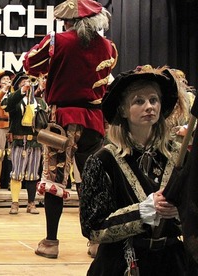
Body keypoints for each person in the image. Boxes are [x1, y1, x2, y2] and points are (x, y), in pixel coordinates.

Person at [79, 66, 197, 275]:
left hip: (172, 264)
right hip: (122, 263)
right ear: (123, 110)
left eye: (154, 100)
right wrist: (142, 212)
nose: (149, 106)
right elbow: (93, 228)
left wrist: (180, 212)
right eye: (138, 101)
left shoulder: (179, 156)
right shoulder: (102, 161)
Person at [23, 0, 117, 258]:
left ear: (69, 22)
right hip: (94, 121)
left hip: (62, 120)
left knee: (54, 178)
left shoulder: (57, 41)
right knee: (92, 181)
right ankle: (96, 241)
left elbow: (30, 64)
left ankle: (51, 242)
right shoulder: (109, 47)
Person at [4, 73, 45, 215]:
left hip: (35, 142)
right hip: (19, 141)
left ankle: (31, 203)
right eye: (23, 82)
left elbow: (45, 121)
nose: (27, 83)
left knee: (33, 174)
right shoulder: (15, 100)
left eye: (29, 81)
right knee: (16, 173)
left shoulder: (40, 102)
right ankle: (15, 203)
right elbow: (7, 106)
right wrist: (21, 92)